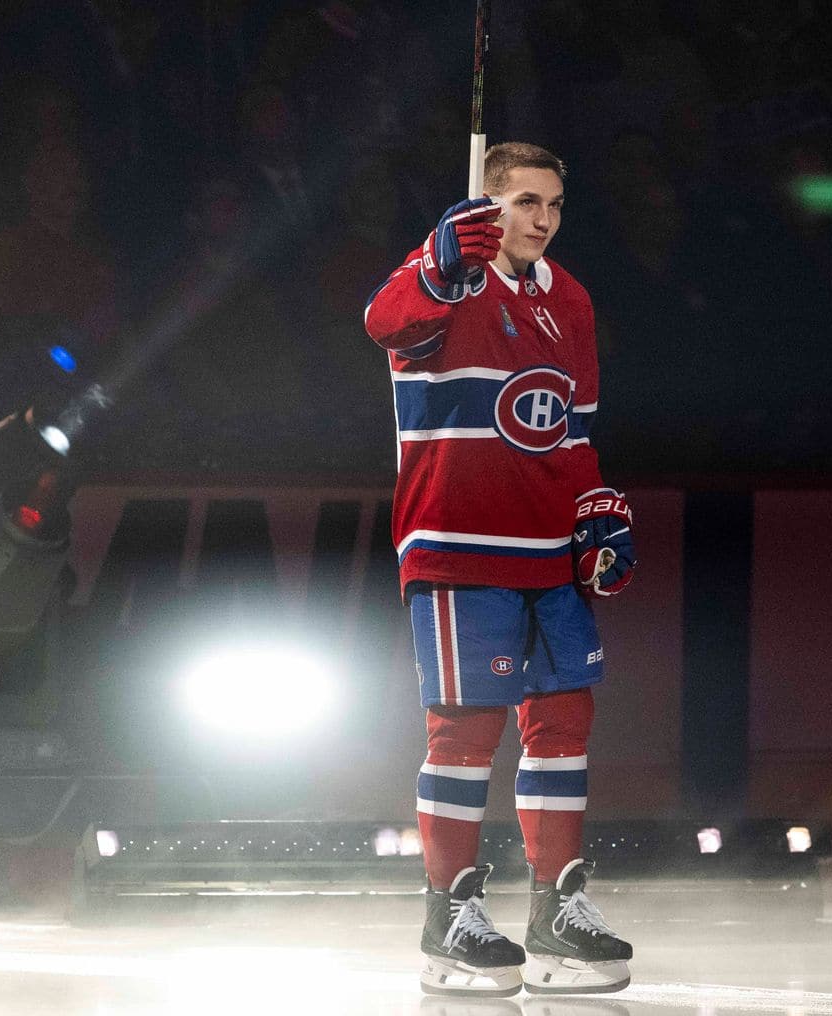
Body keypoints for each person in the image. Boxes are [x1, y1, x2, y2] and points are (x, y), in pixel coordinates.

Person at [363, 142, 636, 997]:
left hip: (548, 549)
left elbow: (574, 430)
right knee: (469, 730)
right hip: (456, 539)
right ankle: (449, 914)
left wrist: (594, 512)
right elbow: (385, 321)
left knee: (564, 722)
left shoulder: (576, 300)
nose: (542, 219)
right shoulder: (443, 274)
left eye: (553, 204)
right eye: (524, 201)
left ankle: (556, 908)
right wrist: (443, 266)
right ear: (489, 203)